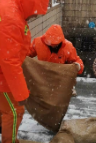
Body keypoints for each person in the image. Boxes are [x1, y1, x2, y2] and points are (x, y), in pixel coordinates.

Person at [0, 0, 49, 142]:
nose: (35, 17)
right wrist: (21, 94)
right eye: (36, 14)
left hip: (4, 71)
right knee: (14, 111)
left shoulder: (11, 9)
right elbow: (9, 60)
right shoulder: (12, 19)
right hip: (3, 75)